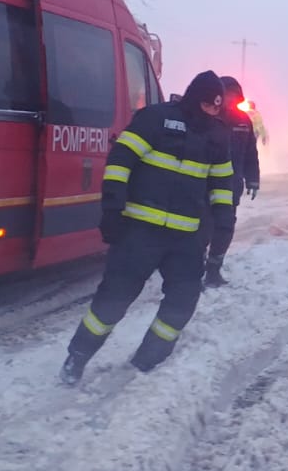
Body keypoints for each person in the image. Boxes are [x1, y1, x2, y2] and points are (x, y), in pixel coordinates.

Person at [59, 71, 236, 385]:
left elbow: (222, 181)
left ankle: (146, 362)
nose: (210, 113)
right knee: (113, 301)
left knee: (183, 301)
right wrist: (112, 207)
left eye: (216, 109)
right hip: (138, 234)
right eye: (207, 106)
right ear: (196, 99)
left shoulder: (217, 137)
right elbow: (120, 160)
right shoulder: (154, 119)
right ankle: (78, 357)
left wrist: (224, 218)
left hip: (185, 239)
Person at [204, 76, 262, 288]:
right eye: (226, 95)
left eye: (233, 96)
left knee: (225, 228)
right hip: (204, 184)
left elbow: (250, 154)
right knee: (202, 228)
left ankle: (213, 271)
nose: (229, 100)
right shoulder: (206, 116)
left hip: (230, 186)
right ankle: (192, 271)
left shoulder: (243, 121)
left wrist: (253, 179)